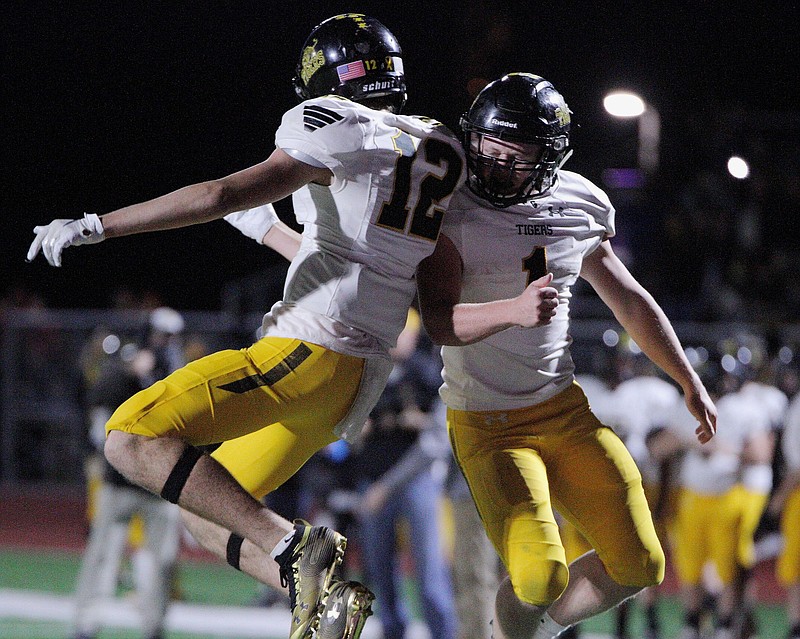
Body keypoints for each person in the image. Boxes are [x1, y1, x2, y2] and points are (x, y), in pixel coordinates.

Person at [27, 13, 466, 639]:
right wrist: (271, 232)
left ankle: (299, 551)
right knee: (206, 511)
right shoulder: (434, 144)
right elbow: (372, 264)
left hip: (311, 351)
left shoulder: (334, 126)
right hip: (350, 383)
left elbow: (217, 194)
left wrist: (100, 224)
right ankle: (333, 601)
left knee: (129, 438)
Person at [411, 73, 718, 639]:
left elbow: (628, 299)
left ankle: (533, 633)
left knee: (640, 564)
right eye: (488, 147)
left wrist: (685, 376)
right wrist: (513, 310)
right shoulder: (451, 207)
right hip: (486, 422)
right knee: (539, 576)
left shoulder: (577, 201)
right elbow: (438, 323)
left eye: (516, 154)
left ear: (549, 158)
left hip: (563, 411)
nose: (496, 164)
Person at [72, 307, 186, 639]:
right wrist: (133, 376)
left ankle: (154, 627)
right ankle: (85, 623)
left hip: (160, 482)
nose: (165, 343)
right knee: (102, 554)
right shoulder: (124, 370)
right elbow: (99, 411)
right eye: (162, 336)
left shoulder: (177, 372)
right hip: (120, 480)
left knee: (161, 562)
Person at [351, 308, 458, 639]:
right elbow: (345, 426)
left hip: (415, 481)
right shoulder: (368, 370)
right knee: (381, 573)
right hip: (372, 478)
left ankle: (443, 633)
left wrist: (417, 422)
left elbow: (438, 438)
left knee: (430, 573)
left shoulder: (426, 374)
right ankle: (393, 631)